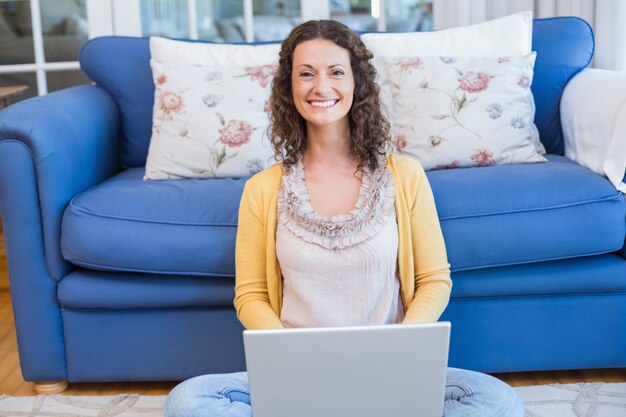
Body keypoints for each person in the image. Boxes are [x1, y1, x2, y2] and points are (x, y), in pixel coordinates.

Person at [164, 19, 525, 417]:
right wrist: (290, 355)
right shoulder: (263, 189)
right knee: (189, 400)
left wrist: (402, 348)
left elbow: (434, 280)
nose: (321, 87)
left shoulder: (404, 176)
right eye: (306, 74)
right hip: (295, 372)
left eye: (336, 72)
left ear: (357, 83)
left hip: (390, 369)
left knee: (495, 399)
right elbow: (249, 296)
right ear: (289, 88)